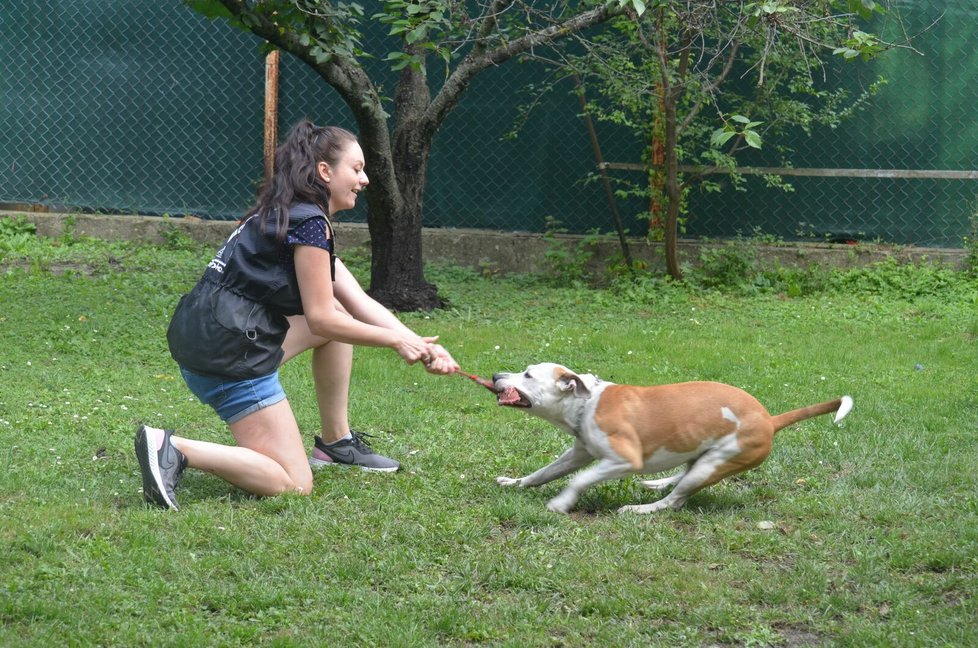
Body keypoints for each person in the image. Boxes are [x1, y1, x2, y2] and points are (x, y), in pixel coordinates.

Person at [134, 118, 459, 511]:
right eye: (356, 169)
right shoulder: (309, 224)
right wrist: (395, 341)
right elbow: (320, 319)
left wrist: (421, 344)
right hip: (229, 355)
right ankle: (174, 448)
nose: (365, 179)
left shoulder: (287, 213)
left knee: (340, 315)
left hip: (208, 338)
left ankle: (337, 443)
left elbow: (358, 303)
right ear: (325, 172)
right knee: (293, 483)